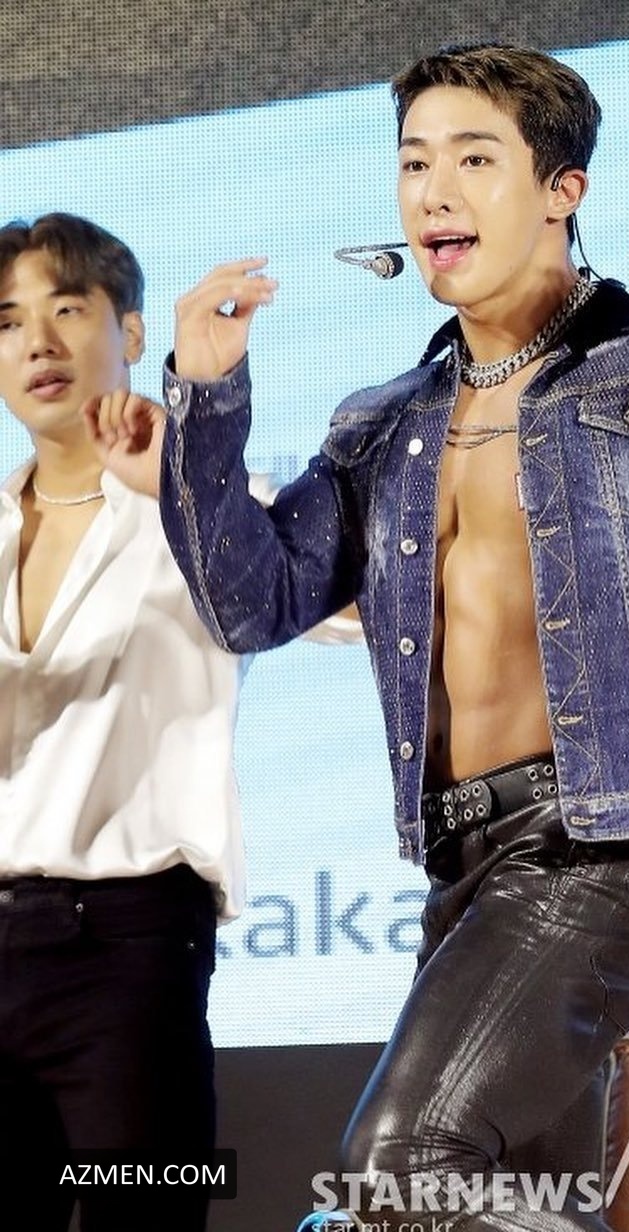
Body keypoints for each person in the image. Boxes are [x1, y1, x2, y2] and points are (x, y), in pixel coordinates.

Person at [93, 44, 629, 1231]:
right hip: (464, 870)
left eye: (470, 159)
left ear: (561, 188)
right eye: (412, 164)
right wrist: (204, 405)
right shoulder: (384, 422)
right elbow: (254, 603)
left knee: (400, 1166)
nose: (432, 191)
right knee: (509, 1199)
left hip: (603, 850)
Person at [0, 212, 357, 1232]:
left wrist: (179, 485)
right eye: (8, 321)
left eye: (68, 309)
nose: (37, 343)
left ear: (130, 330)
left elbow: (371, 611)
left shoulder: (197, 509)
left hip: (130, 954)